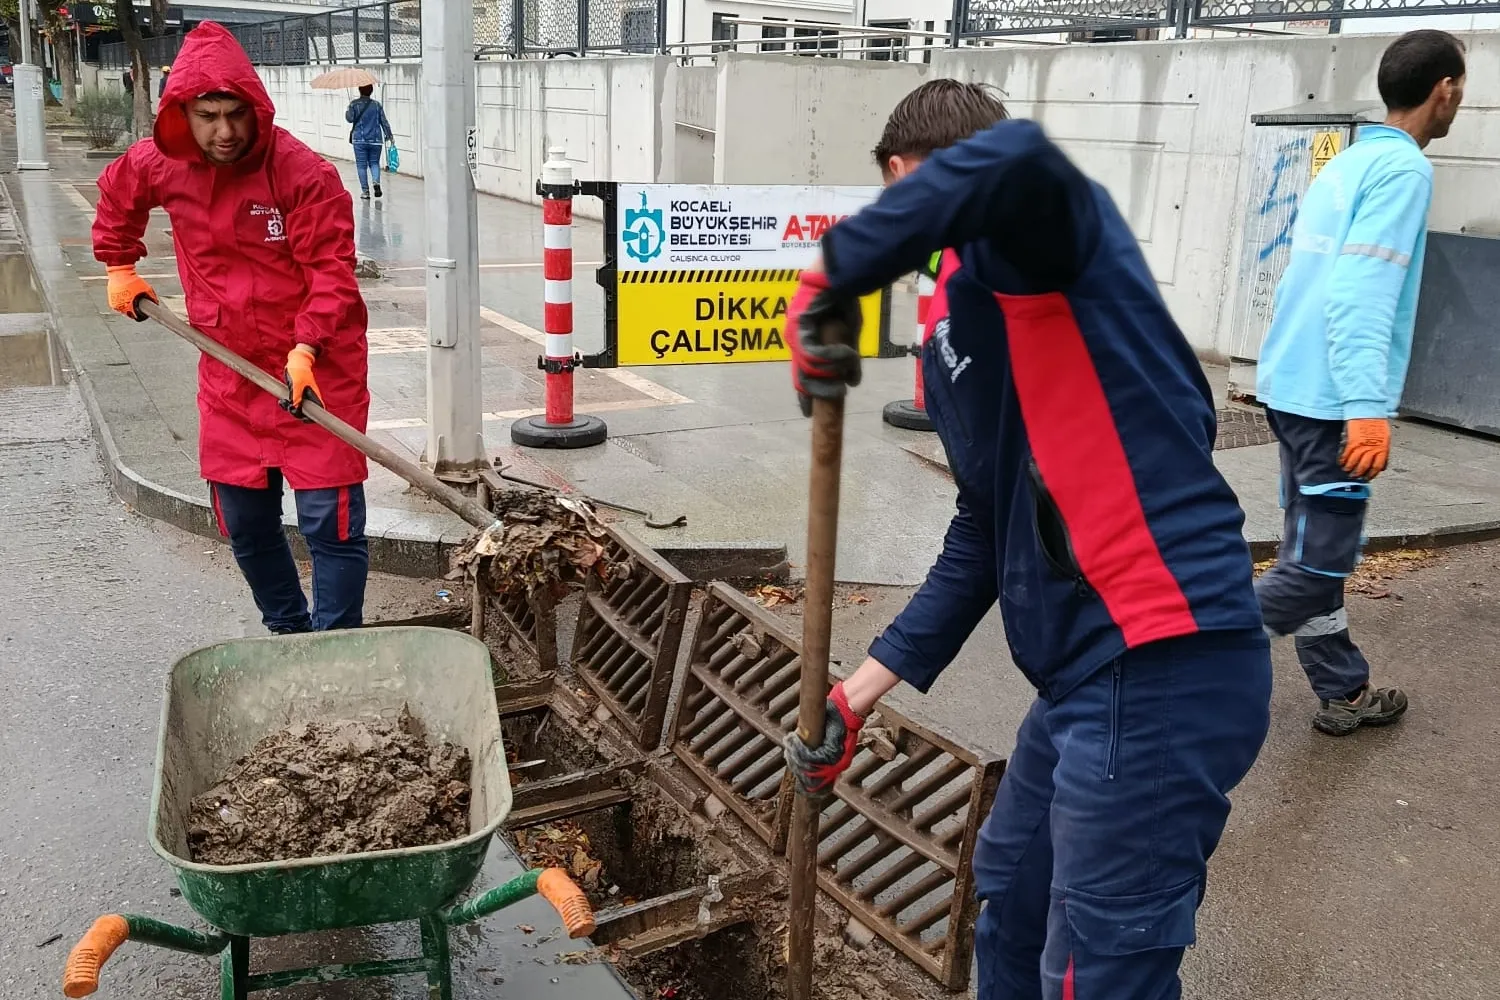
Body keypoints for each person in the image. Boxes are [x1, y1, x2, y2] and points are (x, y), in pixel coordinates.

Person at [780, 80, 1271, 1000]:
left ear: (904, 175)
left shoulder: (1050, 251)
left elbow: (1017, 159)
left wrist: (837, 267)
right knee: (1010, 904)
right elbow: (984, 525)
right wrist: (858, 694)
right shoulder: (955, 323)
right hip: (1080, 679)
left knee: (1094, 972)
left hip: (1160, 662)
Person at [92, 22, 371, 634]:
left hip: (318, 365)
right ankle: (287, 632)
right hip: (229, 371)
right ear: (183, 116)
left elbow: (331, 272)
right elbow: (117, 193)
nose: (224, 132)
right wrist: (119, 265)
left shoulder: (302, 173)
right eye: (208, 116)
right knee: (243, 518)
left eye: (236, 114)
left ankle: (335, 649)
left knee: (329, 521)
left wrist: (306, 347)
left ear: (256, 109)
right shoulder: (161, 163)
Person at [1254, 29, 1464, 737]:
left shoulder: (1348, 163)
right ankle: (1173, 663)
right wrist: (1367, 408)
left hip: (1293, 385)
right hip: (1331, 401)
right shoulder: (1403, 171)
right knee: (1317, 567)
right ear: (1445, 90)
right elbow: (1361, 293)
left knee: (1313, 555)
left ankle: (1343, 689)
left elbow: (1307, 280)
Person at [345, 83, 394, 200]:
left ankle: (365, 192)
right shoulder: (377, 105)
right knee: (374, 163)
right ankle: (376, 182)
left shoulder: (354, 104)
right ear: (371, 91)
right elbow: (384, 122)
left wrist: (348, 109)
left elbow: (349, 119)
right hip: (376, 140)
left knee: (361, 166)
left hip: (359, 140)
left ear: (360, 90)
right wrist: (389, 136)